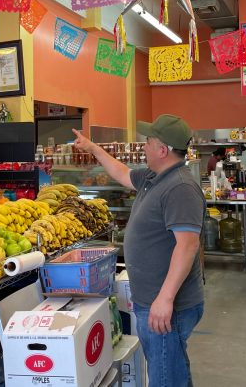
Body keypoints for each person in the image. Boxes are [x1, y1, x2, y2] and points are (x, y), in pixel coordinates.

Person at [72, 114, 205, 386]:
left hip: (169, 305)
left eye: (148, 142)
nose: (143, 146)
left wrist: (165, 299)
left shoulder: (180, 187)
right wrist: (93, 148)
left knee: (165, 377)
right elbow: (121, 173)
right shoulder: (153, 177)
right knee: (172, 369)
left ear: (163, 150)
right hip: (153, 300)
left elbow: (188, 245)